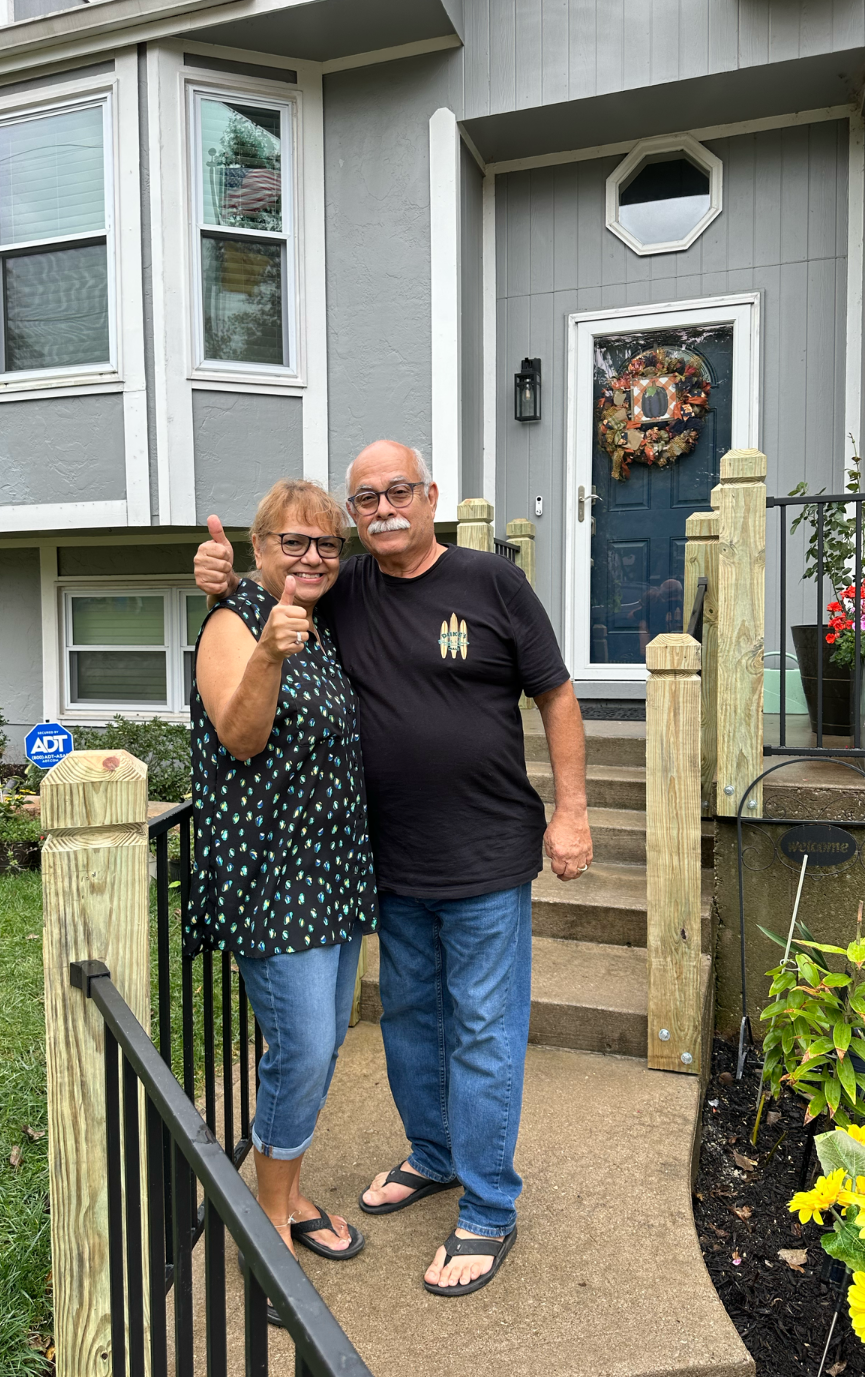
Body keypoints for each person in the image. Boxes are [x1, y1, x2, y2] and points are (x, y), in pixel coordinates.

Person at [195, 442, 592, 1297]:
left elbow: (557, 694)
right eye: (365, 498)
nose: (382, 509)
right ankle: (437, 1156)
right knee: (411, 1019)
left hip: (486, 857)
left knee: (483, 1031)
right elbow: (267, 609)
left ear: (431, 496)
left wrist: (572, 811)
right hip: (389, 867)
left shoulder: (492, 583)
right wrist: (220, 585)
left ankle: (488, 1207)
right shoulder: (346, 590)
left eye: (398, 492)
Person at [188, 478, 378, 1315]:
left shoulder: (323, 625)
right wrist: (263, 640)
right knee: (300, 1045)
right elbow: (239, 733)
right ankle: (267, 1231)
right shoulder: (232, 625)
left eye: (326, 544)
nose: (311, 557)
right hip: (272, 880)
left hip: (331, 874)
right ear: (259, 548)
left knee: (320, 1042)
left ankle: (290, 1187)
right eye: (292, 543)